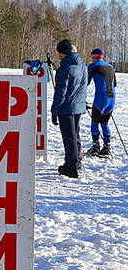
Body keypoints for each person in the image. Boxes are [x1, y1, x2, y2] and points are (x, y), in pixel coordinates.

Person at [51, 39, 87, 178]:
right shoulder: (82, 66)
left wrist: (55, 112)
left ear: (62, 53)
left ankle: (70, 167)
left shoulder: (64, 69)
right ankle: (76, 162)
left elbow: (60, 94)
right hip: (78, 106)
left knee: (69, 138)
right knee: (75, 136)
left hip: (67, 109)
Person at [87, 48, 117, 157]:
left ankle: (95, 147)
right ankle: (107, 147)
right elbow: (115, 84)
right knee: (105, 122)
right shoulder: (110, 67)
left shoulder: (92, 66)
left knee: (95, 122)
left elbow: (86, 82)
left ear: (94, 56)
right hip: (112, 99)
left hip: (101, 99)